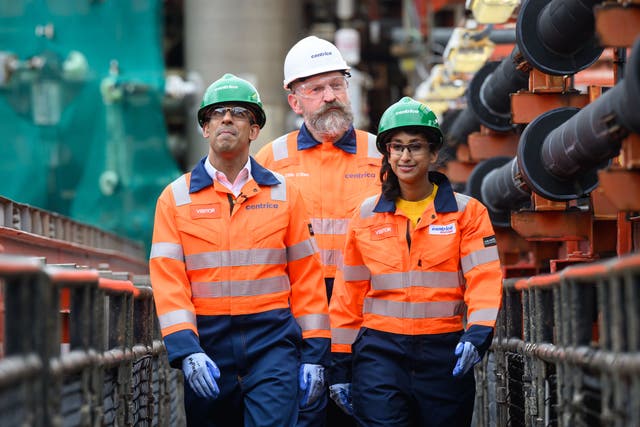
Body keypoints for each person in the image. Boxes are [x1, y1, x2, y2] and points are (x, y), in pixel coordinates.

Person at [150, 73, 330, 427]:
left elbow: (308, 279)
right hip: (208, 346)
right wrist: (187, 351)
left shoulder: (284, 194)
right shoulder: (175, 199)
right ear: (204, 128)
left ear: (254, 129)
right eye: (216, 113)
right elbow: (169, 283)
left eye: (238, 113)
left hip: (272, 344)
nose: (226, 119)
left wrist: (315, 355)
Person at [328, 96, 503, 426]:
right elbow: (347, 295)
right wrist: (339, 365)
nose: (405, 156)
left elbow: (484, 278)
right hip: (380, 356)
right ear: (387, 154)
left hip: (443, 355)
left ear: (433, 153)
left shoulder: (467, 213)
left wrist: (477, 334)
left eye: (415, 147)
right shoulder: (365, 216)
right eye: (397, 147)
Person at [255, 36, 381, 426]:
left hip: (368, 312)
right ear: (295, 101)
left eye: (337, 85)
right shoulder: (271, 161)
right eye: (316, 89)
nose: (330, 96)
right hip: (296, 312)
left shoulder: (382, 155)